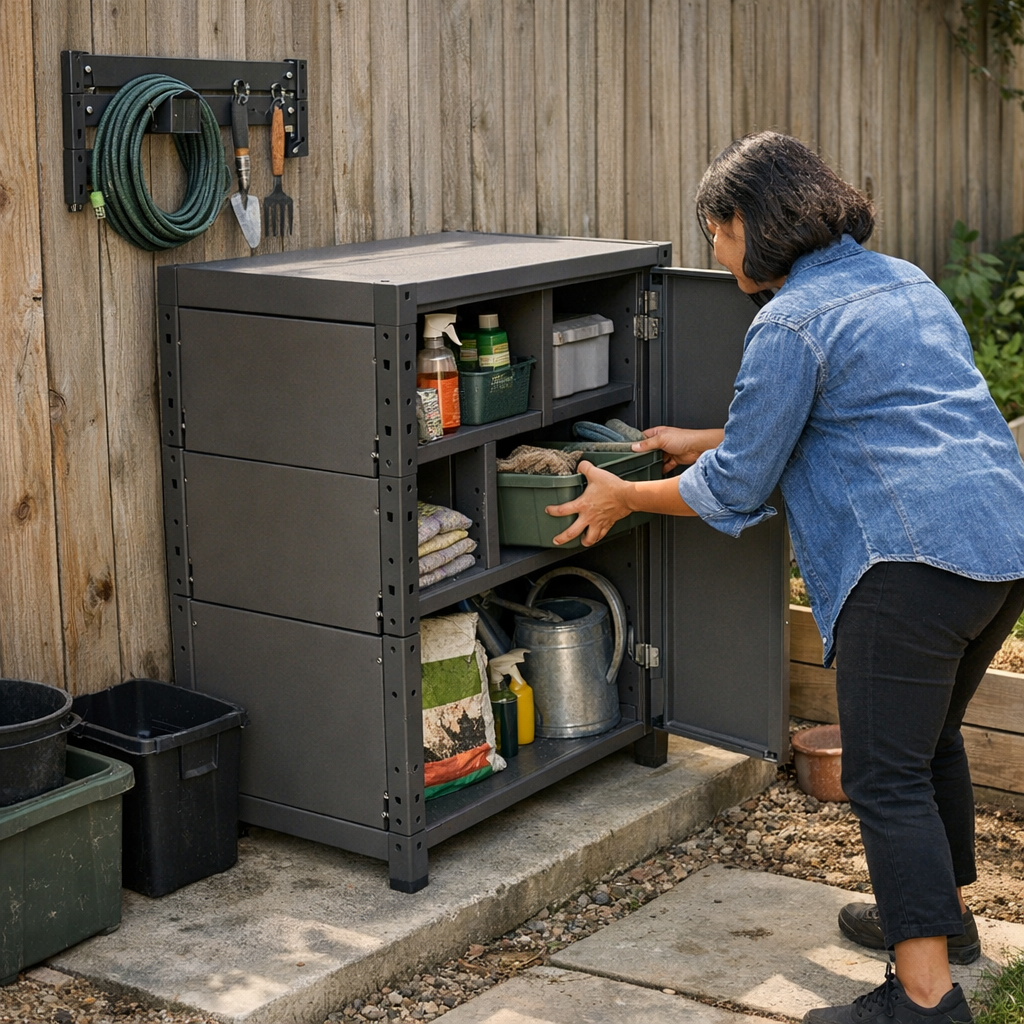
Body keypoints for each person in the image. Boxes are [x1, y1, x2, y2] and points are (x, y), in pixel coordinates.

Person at [546, 131, 1024, 1024]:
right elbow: (851, 413)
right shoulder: (903, 280)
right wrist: (700, 438)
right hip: (999, 546)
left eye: (715, 234)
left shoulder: (789, 320)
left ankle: (923, 1000)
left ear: (746, 222)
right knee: (932, 743)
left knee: (885, 775)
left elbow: (740, 485)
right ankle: (944, 921)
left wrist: (626, 497)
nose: (715, 254)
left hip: (906, 564)